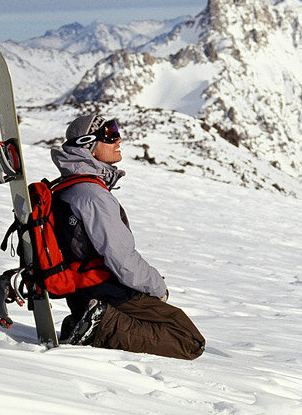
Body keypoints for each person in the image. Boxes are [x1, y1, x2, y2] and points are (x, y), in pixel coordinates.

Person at [50, 113, 205, 360]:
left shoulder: (68, 187)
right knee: (189, 341)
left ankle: (89, 323)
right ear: (88, 145)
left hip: (84, 292)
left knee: (173, 323)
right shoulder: (92, 195)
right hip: (107, 292)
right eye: (109, 134)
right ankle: (98, 325)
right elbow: (122, 259)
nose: (118, 139)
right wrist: (157, 287)